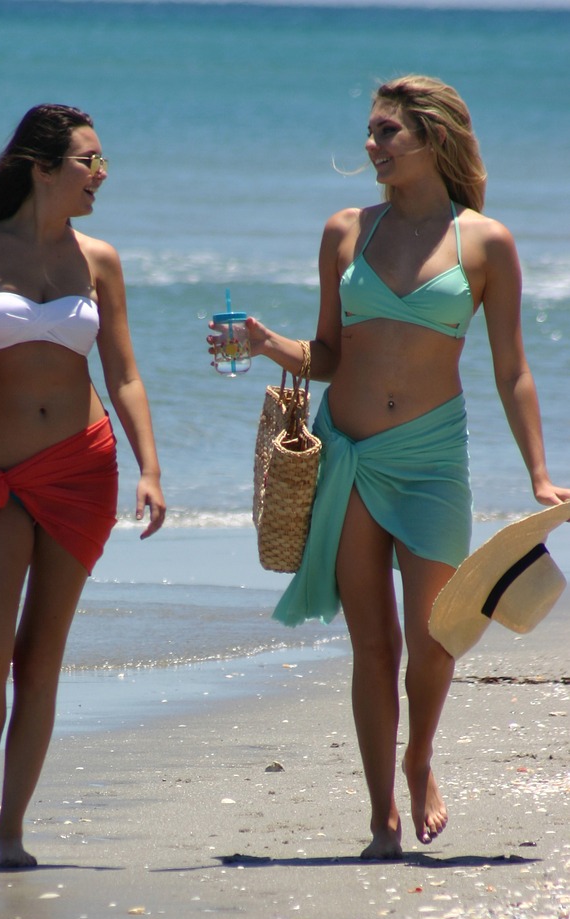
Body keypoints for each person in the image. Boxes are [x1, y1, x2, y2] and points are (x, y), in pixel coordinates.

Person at [239, 75, 570, 859]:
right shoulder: (345, 231)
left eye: (387, 132)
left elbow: (512, 369)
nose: (372, 147)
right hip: (347, 452)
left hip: (429, 459)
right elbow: (324, 354)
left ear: (432, 139)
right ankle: (382, 809)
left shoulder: (484, 242)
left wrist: (538, 473)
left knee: (436, 635)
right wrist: (264, 344)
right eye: (371, 131)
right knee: (373, 647)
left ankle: (421, 757)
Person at [0, 103, 165, 868]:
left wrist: (150, 467)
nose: (101, 175)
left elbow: (122, 371)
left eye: (102, 161)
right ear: (43, 167)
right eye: (90, 161)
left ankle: (13, 827)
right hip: (1, 469)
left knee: (42, 658)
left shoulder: (101, 259)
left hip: (82, 466)